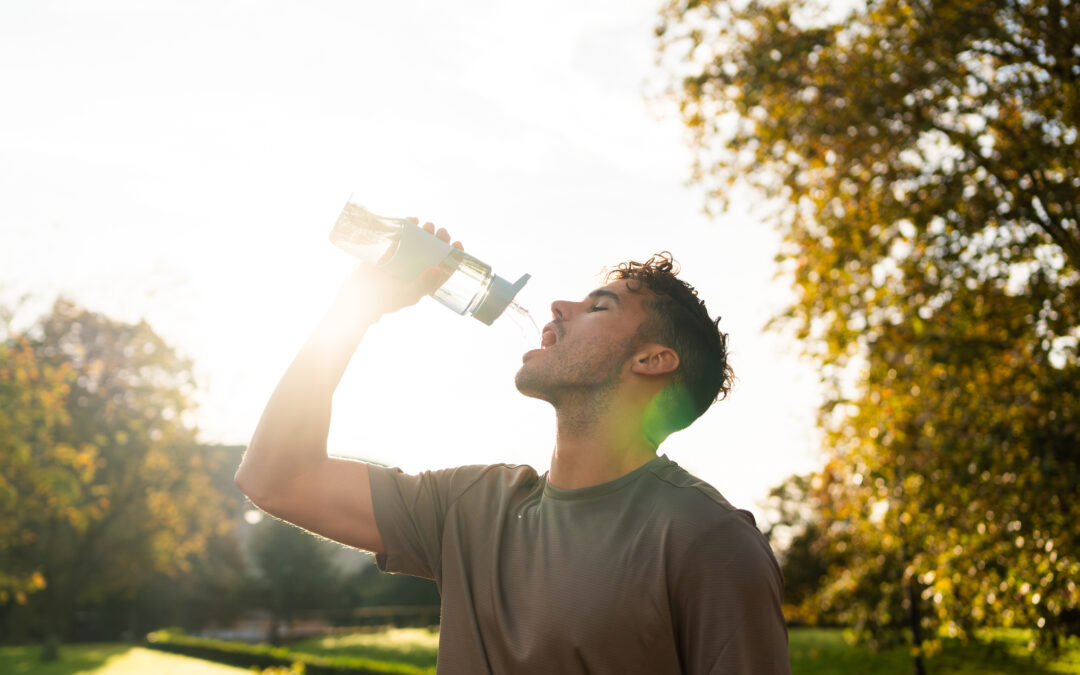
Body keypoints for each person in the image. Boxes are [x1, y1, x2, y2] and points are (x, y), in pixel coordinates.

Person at [235, 222, 792, 674]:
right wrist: (355, 309)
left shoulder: (709, 540)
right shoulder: (471, 506)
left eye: (599, 307)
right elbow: (275, 478)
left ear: (650, 360)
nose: (556, 307)